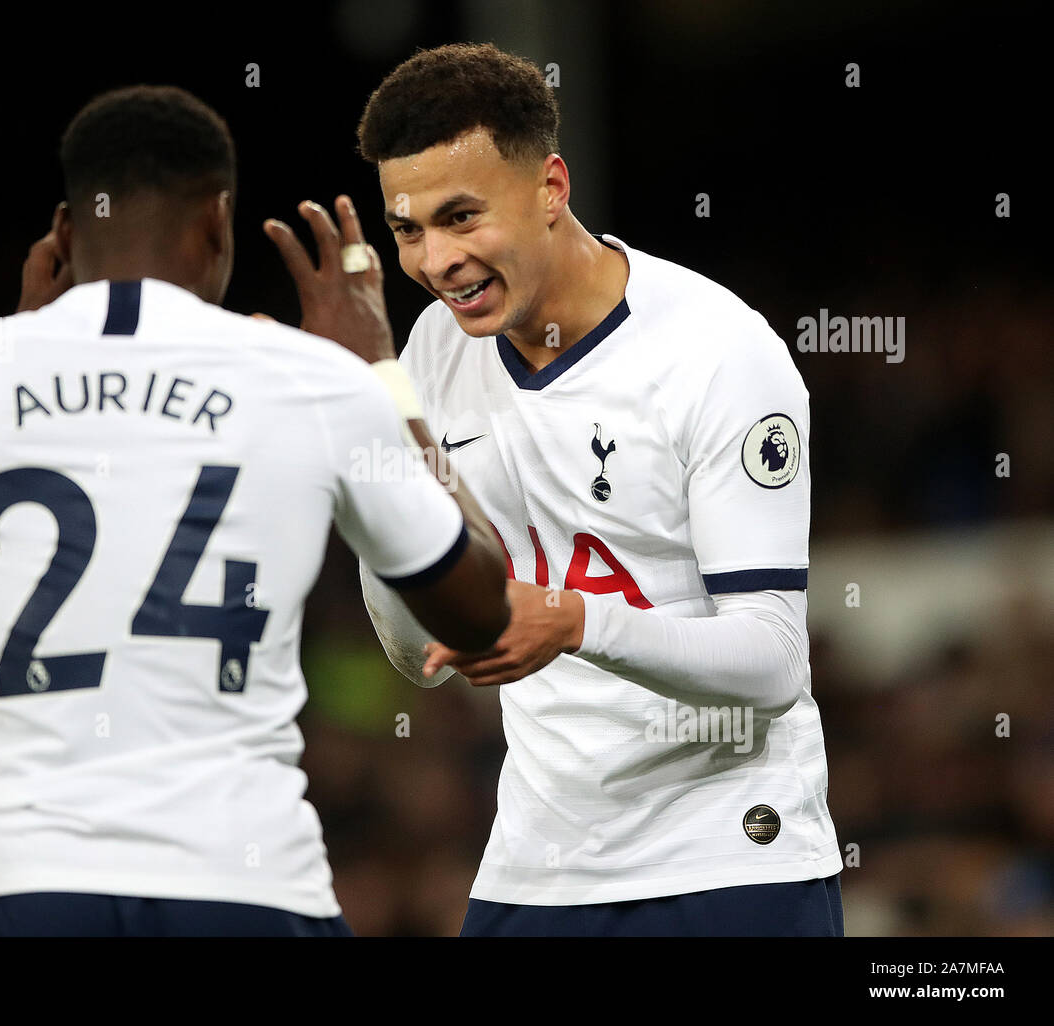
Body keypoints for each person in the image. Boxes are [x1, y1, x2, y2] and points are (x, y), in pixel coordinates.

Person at [0, 84, 509, 937]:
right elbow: (482, 610)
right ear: (218, 223)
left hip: (34, 891)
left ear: (66, 230)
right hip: (247, 890)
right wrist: (381, 375)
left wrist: (2, 380)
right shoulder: (312, 381)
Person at [353, 43, 844, 936]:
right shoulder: (427, 353)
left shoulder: (719, 353)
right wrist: (372, 468)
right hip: (538, 870)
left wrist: (578, 623)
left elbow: (774, 662)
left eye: (462, 217)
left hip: (729, 863)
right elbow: (414, 658)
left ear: (550, 187)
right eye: (408, 229)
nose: (436, 259)